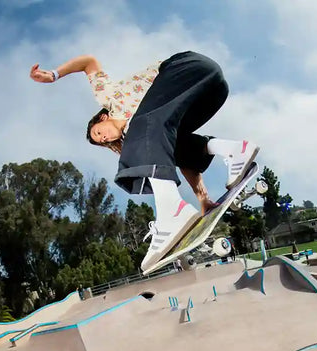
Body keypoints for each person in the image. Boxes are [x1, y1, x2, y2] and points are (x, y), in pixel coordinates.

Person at [30, 51, 259, 271]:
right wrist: (203, 198)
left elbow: (88, 62)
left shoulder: (110, 99)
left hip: (186, 68)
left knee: (141, 130)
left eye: (99, 133)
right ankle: (236, 150)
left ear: (103, 117)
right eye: (101, 141)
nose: (104, 138)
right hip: (209, 92)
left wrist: (54, 74)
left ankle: (172, 212)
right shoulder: (148, 131)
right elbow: (181, 157)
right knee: (172, 144)